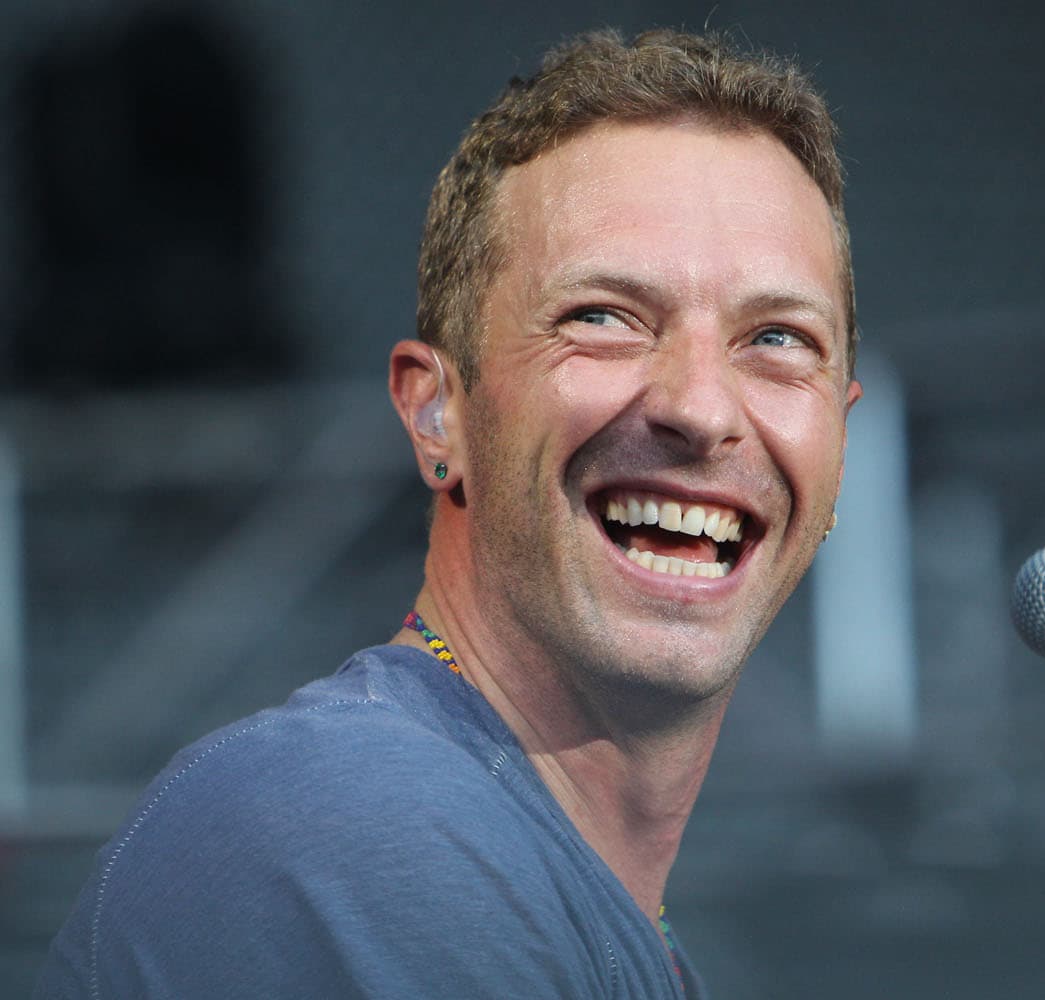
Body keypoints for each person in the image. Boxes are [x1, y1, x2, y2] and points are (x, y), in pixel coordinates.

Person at [34, 26, 860, 999]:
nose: (701, 406)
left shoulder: (599, 909)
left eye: (776, 337)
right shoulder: (352, 820)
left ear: (840, 443)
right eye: (603, 317)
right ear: (439, 414)